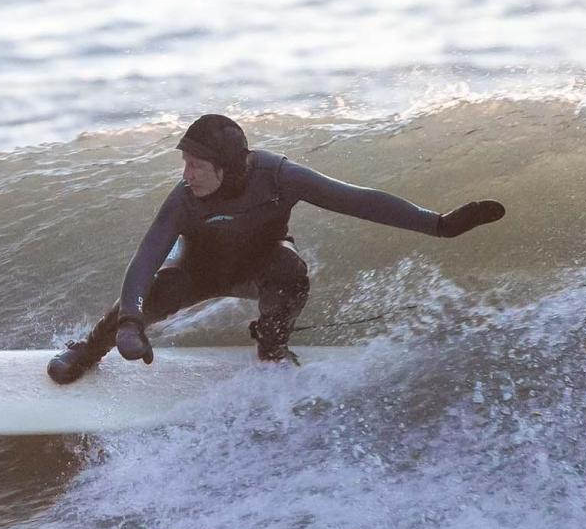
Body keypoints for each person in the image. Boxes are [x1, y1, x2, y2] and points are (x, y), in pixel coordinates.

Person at [47, 114, 506, 384]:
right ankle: (87, 352)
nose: (186, 174)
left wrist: (439, 225)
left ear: (226, 167)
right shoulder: (184, 199)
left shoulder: (279, 176)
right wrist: (131, 320)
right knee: (154, 294)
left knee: (291, 271)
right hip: (197, 272)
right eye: (184, 163)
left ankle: (271, 348)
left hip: (259, 265)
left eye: (195, 165)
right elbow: (145, 258)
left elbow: (357, 200)